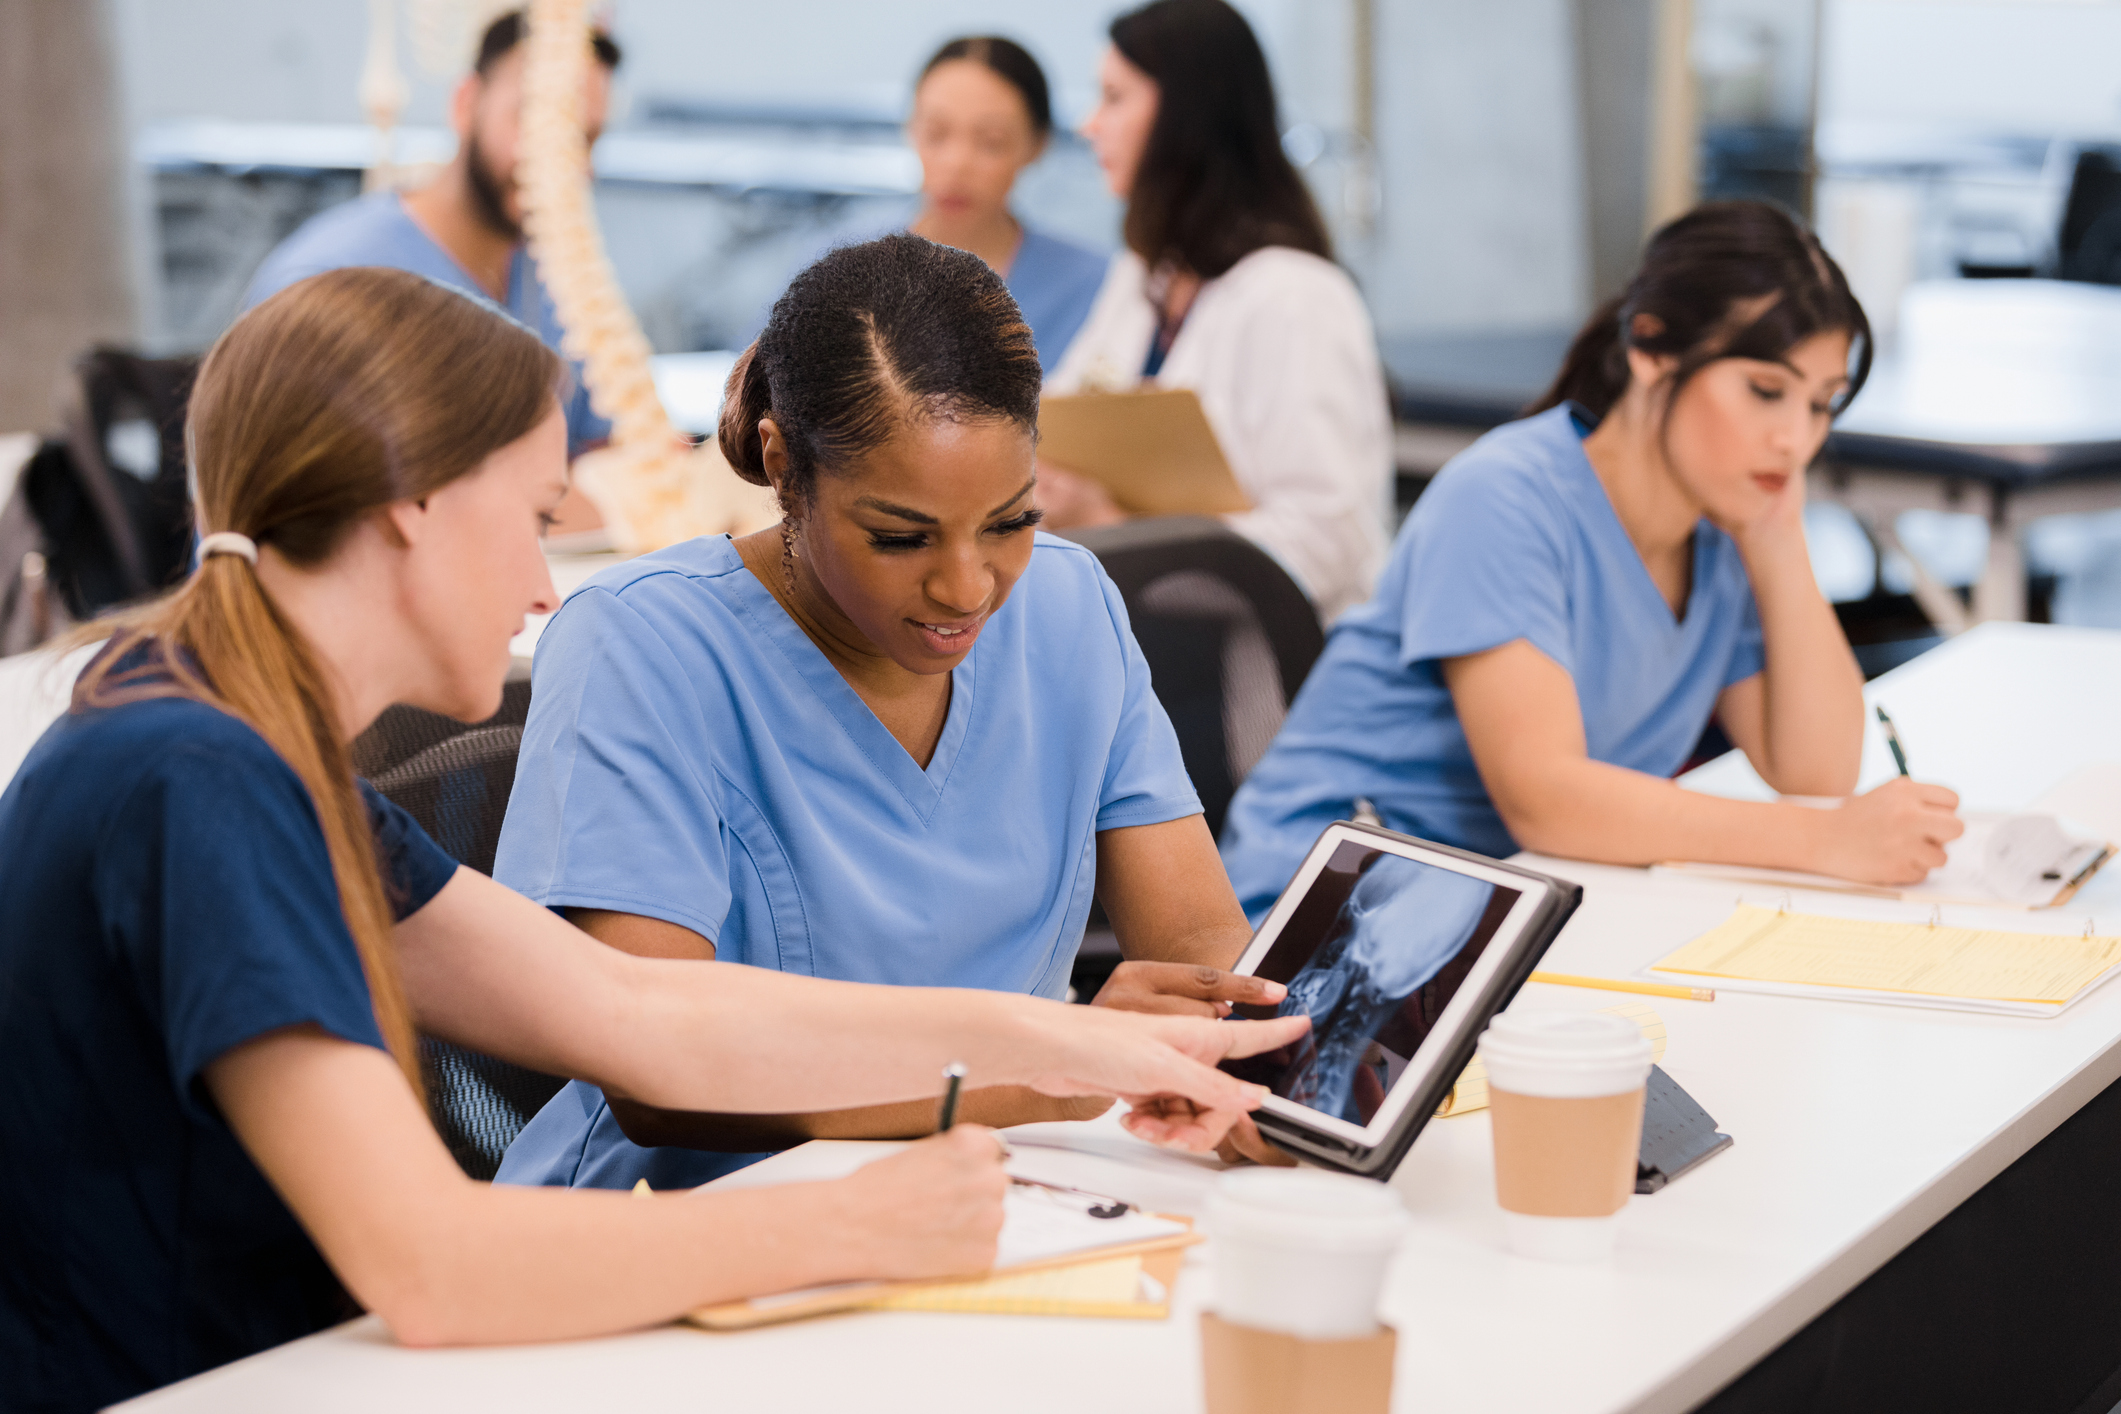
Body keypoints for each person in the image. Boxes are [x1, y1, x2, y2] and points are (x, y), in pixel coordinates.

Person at [0, 267, 1306, 1414]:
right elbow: (433, 1262)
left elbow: (634, 1008)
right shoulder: (195, 781)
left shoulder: (222, 744)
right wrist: (853, 1221)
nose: (538, 585)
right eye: (534, 516)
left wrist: (1073, 1037)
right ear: (411, 503)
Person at [494, 233, 1291, 1194]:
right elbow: (660, 1080)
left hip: (1000, 1191)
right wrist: (1055, 1064)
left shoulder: (1070, 609)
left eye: (1011, 522)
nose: (966, 588)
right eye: (899, 537)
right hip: (688, 1220)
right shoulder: (638, 646)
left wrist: (1264, 1070)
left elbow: (1199, 945)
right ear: (784, 467)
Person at [1219, 200, 1966, 918]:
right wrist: (1823, 843)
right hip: (1326, 909)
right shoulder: (1505, 497)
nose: (1795, 440)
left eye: (1820, 404)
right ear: (1649, 349)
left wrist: (1777, 538)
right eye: (1766, 391)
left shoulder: (1722, 528)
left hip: (1501, 907)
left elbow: (1814, 775)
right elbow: (1544, 798)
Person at [1041, 0, 1392, 624]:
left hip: (1278, 671)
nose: (1093, 125)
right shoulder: (1147, 273)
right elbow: (1060, 427)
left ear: (1185, 114)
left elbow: (1324, 543)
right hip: (1159, 638)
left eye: (1115, 98)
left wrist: (1115, 526)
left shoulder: (1297, 296)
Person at [242, 11, 615, 474]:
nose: (561, 162)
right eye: (534, 122)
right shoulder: (328, 281)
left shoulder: (559, 293)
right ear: (464, 104)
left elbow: (614, 457)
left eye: (586, 139)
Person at [906, 36, 1109, 371]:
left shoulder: (1097, 288)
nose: (958, 163)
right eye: (936, 133)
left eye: (991, 142)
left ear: (1037, 145)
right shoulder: (835, 269)